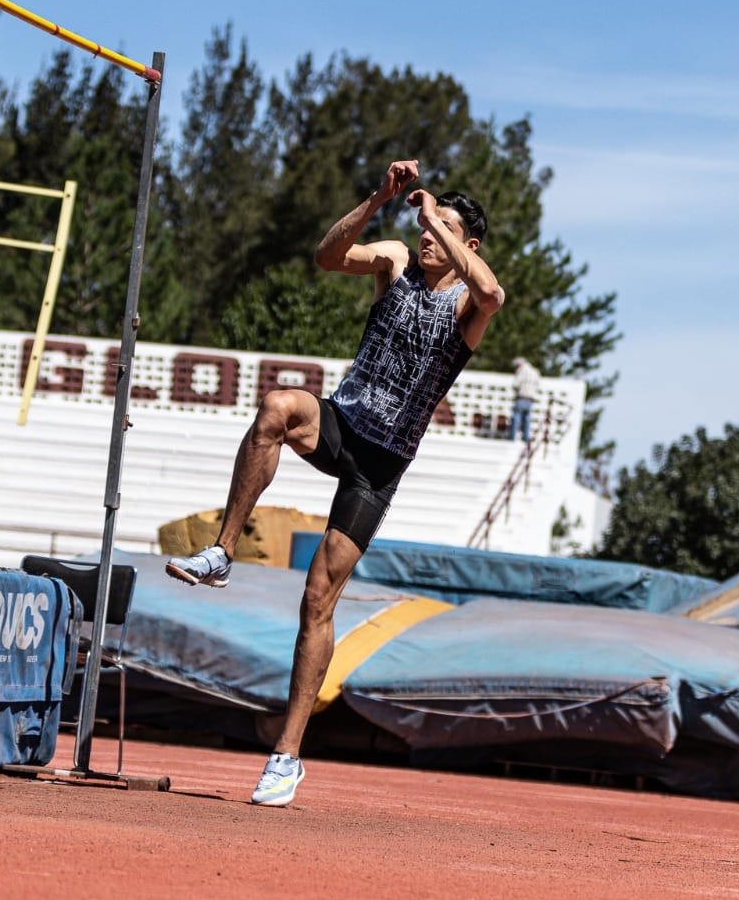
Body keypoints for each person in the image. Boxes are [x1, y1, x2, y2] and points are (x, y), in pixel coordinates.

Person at [166, 158, 504, 807]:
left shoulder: (466, 302)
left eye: (444, 229)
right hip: (344, 423)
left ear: (468, 244)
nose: (428, 234)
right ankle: (221, 553)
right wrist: (381, 196)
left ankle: (286, 757)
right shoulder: (396, 264)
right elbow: (329, 257)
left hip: (380, 467)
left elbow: (495, 296)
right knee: (277, 407)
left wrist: (436, 214)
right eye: (428, 225)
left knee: (318, 597)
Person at [508, 357, 540, 442]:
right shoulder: (535, 371)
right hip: (530, 399)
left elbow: (516, 384)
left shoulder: (522, 371)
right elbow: (537, 385)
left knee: (516, 418)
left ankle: (512, 437)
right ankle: (526, 438)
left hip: (522, 397)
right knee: (527, 419)